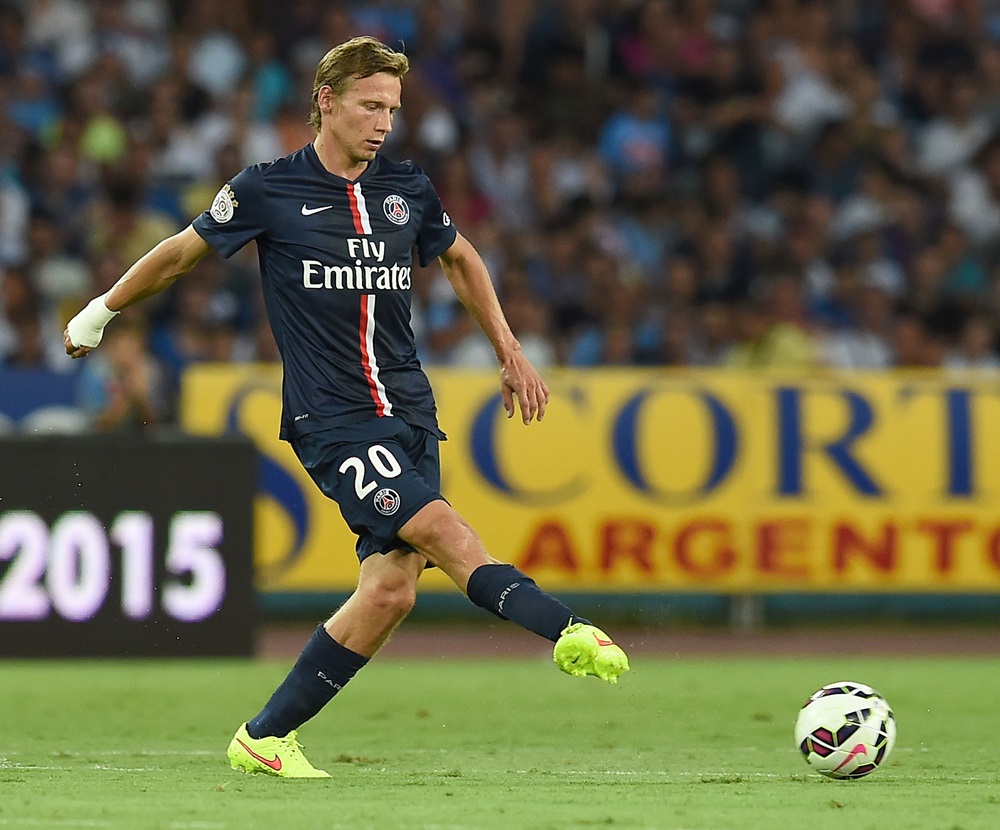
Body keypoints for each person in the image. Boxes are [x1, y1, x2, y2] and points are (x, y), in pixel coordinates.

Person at [63, 36, 629, 779]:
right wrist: (102, 312)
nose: (384, 122)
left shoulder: (408, 189)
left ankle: (264, 738)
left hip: (409, 413)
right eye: (370, 105)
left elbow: (460, 257)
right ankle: (567, 629)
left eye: (392, 109)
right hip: (331, 419)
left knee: (390, 591)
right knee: (441, 528)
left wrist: (509, 347)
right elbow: (180, 253)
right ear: (326, 102)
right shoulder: (267, 189)